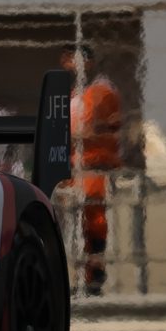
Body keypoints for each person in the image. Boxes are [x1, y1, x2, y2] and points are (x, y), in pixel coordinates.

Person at [63, 43, 124, 292]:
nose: (69, 65)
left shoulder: (102, 91)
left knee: (94, 222)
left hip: (95, 167)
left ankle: (94, 277)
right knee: (76, 225)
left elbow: (108, 128)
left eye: (73, 60)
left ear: (87, 62)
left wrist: (86, 136)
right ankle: (80, 277)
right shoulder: (73, 95)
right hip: (74, 169)